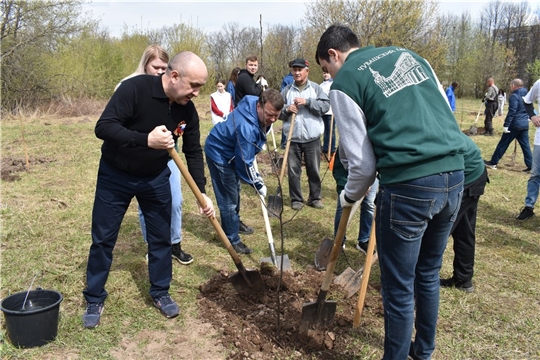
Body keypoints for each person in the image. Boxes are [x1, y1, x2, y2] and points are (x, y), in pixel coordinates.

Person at [316, 25, 466, 360]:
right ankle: (423, 352)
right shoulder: (411, 56)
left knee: (398, 290)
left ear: (333, 55)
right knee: (427, 274)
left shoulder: (344, 83)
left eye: (326, 70)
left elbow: (363, 166)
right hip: (454, 177)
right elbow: (445, 112)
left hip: (409, 185)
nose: (328, 76)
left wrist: (348, 198)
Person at [82, 51, 215, 329]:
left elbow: (192, 151)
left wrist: (201, 192)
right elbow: (103, 127)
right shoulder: (135, 89)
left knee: (161, 238)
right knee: (104, 238)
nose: (197, 93)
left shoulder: (186, 110)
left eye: (200, 87)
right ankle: (94, 296)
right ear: (174, 76)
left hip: (155, 178)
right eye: (194, 86)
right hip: (115, 175)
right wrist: (145, 140)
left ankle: (160, 291)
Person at [115, 45, 194, 266]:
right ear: (145, 64)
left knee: (176, 201)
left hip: (169, 156)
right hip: (139, 158)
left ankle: (174, 243)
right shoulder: (130, 87)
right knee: (147, 205)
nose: (160, 72)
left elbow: (184, 128)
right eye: (155, 67)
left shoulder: (173, 91)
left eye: (163, 67)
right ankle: (154, 245)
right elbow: (114, 126)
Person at [204, 90, 284, 254]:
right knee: (228, 199)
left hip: (232, 149)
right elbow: (244, 163)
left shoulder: (254, 101)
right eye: (269, 115)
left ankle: (234, 222)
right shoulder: (247, 128)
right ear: (259, 106)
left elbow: (245, 156)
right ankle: (232, 239)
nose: (273, 120)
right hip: (219, 153)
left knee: (236, 189)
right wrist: (257, 182)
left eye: (276, 116)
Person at [279, 57, 330, 211]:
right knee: (294, 171)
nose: (297, 72)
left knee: (313, 169)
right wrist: (287, 110)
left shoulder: (315, 88)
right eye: (294, 70)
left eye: (300, 69)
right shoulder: (287, 90)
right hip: (292, 138)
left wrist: (307, 102)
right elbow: (277, 112)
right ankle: (296, 199)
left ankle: (315, 198)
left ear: (306, 71)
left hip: (312, 137)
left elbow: (325, 106)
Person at [440, 134, 488, 293]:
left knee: (437, 233)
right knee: (463, 229)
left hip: (469, 175)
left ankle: (417, 288)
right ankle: (463, 279)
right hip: (470, 170)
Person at [332, 147, 378, 253]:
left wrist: (369, 181)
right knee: (344, 206)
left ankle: (364, 240)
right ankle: (339, 240)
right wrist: (360, 184)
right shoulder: (347, 142)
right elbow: (340, 169)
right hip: (350, 172)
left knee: (369, 204)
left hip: (372, 170)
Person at [484, 79, 533, 172]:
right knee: (525, 145)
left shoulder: (514, 96)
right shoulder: (527, 94)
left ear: (514, 85)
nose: (510, 87)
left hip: (514, 125)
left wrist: (506, 125)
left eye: (511, 86)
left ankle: (493, 162)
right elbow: (530, 107)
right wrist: (529, 117)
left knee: (503, 143)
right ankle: (531, 166)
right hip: (524, 124)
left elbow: (512, 111)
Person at [516, 78, 540, 220]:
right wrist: (532, 116)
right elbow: (527, 101)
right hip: (539, 140)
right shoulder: (539, 84)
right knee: (535, 174)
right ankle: (529, 206)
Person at [320, 71, 336, 156]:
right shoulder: (320, 86)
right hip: (323, 111)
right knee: (325, 130)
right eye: (324, 73)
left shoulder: (333, 84)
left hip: (331, 111)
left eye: (327, 73)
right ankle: (325, 147)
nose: (326, 75)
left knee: (331, 131)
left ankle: (332, 148)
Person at [280, 61, 294, 149]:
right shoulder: (287, 79)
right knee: (286, 124)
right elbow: (282, 93)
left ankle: (292, 142)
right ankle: (284, 143)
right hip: (288, 105)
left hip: (297, 105)